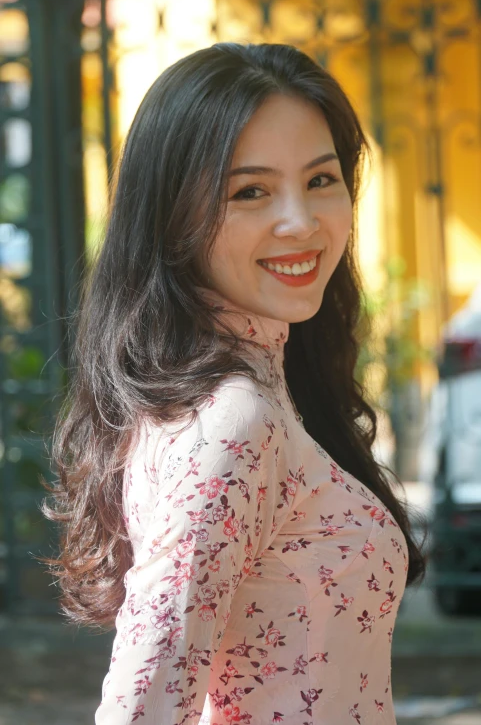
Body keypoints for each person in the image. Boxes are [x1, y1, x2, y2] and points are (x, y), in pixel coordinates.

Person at [41, 43, 426, 724]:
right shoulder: (232, 419)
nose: (300, 223)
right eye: (250, 191)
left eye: (319, 180)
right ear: (172, 216)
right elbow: (146, 704)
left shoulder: (244, 388)